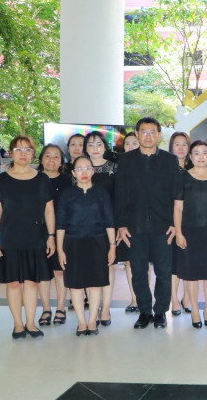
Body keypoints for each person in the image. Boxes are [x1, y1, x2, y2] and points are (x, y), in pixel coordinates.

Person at [115, 117, 183, 330]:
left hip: (163, 226)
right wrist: (121, 224)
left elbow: (176, 194)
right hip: (134, 226)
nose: (148, 136)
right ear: (137, 134)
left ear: (159, 135)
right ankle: (144, 311)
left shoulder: (169, 160)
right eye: (144, 131)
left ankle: (161, 311)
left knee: (164, 271)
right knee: (138, 271)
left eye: (152, 132)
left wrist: (174, 223)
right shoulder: (126, 161)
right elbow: (120, 194)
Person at [0, 136, 55, 339]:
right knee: (13, 283)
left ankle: (30, 323)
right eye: (18, 149)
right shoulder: (0, 181)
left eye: (27, 150)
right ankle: (18, 324)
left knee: (32, 282)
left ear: (33, 153)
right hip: (10, 238)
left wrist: (51, 236)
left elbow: (49, 210)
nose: (23, 153)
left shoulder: (42, 179)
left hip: (36, 237)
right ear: (11, 153)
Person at [56, 156, 116, 336]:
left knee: (95, 284)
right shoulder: (66, 194)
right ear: (73, 173)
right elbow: (60, 224)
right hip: (72, 243)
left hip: (98, 242)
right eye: (79, 169)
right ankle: (81, 322)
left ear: (93, 171)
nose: (83, 172)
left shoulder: (101, 193)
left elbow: (109, 221)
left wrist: (112, 246)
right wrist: (60, 249)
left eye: (87, 168)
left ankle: (92, 321)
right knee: (75, 285)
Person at [173, 140, 207, 328]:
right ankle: (195, 311)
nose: (201, 156)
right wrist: (179, 232)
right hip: (189, 232)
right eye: (196, 153)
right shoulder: (182, 177)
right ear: (190, 156)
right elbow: (178, 208)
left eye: (205, 152)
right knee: (190, 274)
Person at [36, 144, 72, 327]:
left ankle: (60, 307)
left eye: (56, 156)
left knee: (59, 270)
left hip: (62, 231)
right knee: (42, 273)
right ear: (41, 159)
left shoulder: (67, 180)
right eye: (48, 156)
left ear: (61, 161)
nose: (52, 160)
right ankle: (45, 309)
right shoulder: (34, 178)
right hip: (37, 231)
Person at [84, 131, 118, 326]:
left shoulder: (114, 167)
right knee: (89, 266)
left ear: (105, 147)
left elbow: (120, 197)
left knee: (108, 265)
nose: (94, 148)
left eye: (98, 144)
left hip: (108, 226)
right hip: (83, 226)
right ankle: (93, 309)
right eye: (90, 144)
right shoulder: (79, 167)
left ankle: (105, 308)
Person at [169, 132, 193, 316]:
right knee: (173, 262)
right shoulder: (164, 168)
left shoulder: (195, 167)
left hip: (192, 221)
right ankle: (174, 299)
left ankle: (187, 298)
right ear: (171, 146)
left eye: (184, 144)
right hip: (170, 222)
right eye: (177, 144)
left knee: (188, 260)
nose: (180, 148)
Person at [117, 132, 139, 313]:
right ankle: (134, 299)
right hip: (126, 221)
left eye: (134, 143)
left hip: (145, 221)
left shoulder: (148, 165)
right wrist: (120, 223)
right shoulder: (120, 167)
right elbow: (118, 197)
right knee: (129, 262)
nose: (131, 146)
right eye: (128, 143)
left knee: (144, 263)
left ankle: (145, 298)